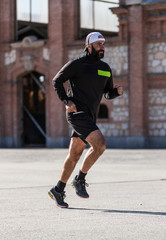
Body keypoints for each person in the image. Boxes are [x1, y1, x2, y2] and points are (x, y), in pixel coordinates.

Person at [48, 32, 123, 208]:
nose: (102, 47)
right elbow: (57, 81)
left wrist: (115, 93)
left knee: (74, 154)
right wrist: (67, 101)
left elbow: (107, 92)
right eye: (98, 44)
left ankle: (58, 190)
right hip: (76, 113)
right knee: (100, 145)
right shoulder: (78, 64)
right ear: (89, 46)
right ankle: (80, 179)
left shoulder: (105, 68)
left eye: (103, 44)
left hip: (90, 115)